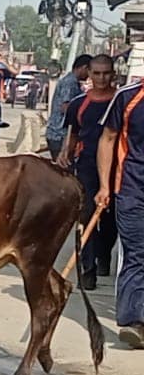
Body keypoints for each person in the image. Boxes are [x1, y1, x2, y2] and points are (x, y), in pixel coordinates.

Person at [57, 55, 119, 289]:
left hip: (118, 168)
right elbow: (73, 133)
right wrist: (66, 153)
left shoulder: (120, 101)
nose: (102, 78)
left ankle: (104, 255)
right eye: (97, 73)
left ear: (113, 74)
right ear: (90, 74)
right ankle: (88, 269)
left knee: (111, 219)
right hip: (86, 166)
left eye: (106, 73)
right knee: (86, 215)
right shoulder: (79, 104)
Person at [96, 73, 144, 348]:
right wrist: (104, 185)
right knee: (136, 253)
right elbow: (108, 139)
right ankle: (133, 321)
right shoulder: (127, 97)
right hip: (132, 189)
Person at [46, 55, 92, 160]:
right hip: (60, 135)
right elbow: (66, 107)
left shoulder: (73, 82)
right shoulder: (70, 83)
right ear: (84, 68)